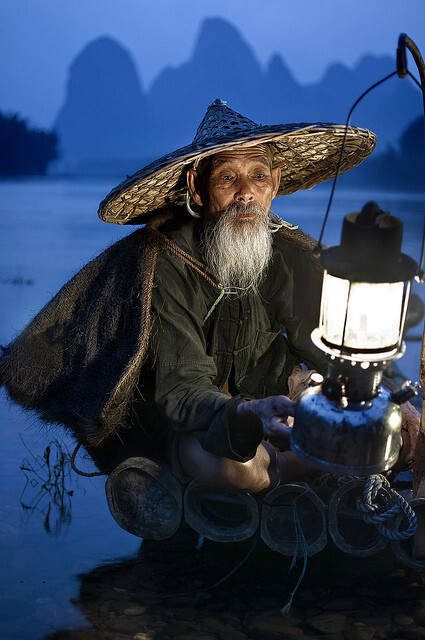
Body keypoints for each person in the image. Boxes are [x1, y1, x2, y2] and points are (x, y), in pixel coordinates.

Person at [0, 99, 420, 538]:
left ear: (274, 184)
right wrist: (251, 413)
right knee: (228, 465)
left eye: (258, 176)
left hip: (276, 404)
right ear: (197, 190)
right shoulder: (167, 265)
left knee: (399, 418)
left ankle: (316, 459)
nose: (246, 192)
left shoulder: (282, 251)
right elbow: (183, 393)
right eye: (227, 178)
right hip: (197, 427)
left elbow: (333, 345)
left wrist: (388, 395)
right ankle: (305, 467)